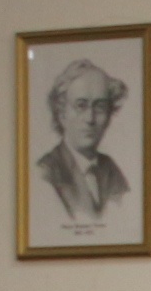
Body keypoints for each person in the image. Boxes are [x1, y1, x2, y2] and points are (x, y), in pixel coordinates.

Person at [35, 56, 134, 227]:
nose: (90, 118)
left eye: (100, 107)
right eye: (81, 106)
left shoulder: (111, 171)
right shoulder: (46, 172)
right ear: (61, 113)